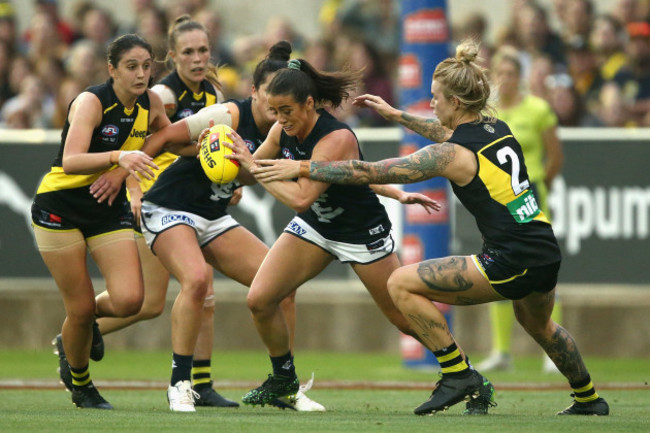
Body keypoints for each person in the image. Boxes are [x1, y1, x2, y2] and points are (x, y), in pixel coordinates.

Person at [250, 39, 609, 417]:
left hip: (509, 259)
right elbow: (443, 131)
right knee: (540, 325)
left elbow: (368, 171)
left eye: (436, 97)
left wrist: (301, 167)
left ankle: (458, 375)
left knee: (400, 283)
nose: (432, 103)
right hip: (543, 249)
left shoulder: (450, 155)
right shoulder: (493, 126)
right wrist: (397, 115)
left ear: (455, 102)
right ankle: (589, 399)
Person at [96, 40, 328, 413]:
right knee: (196, 281)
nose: (277, 104)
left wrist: (232, 183)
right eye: (271, 93)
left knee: (281, 288)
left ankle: (284, 383)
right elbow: (163, 137)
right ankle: (180, 384)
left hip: (214, 215)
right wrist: (132, 181)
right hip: (169, 208)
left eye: (286, 97)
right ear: (254, 91)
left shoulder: (287, 127)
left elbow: (253, 171)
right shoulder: (228, 114)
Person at [222, 56, 440, 408]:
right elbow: (252, 171)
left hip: (359, 231)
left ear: (309, 103)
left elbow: (302, 197)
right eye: (275, 111)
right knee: (260, 299)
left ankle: (462, 371)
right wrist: (227, 153)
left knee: (402, 317)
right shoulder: (282, 129)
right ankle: (284, 380)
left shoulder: (335, 136)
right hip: (317, 226)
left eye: (287, 110)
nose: (280, 120)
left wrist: (251, 167)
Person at [89, 15, 238, 408]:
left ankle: (201, 385)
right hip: (158, 205)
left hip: (189, 205)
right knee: (153, 300)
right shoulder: (163, 95)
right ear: (171, 57)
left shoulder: (212, 96)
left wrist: (227, 180)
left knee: (191, 292)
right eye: (187, 52)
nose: (197, 58)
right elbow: (145, 143)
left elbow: (197, 151)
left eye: (203, 50)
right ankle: (80, 325)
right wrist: (134, 188)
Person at [32, 34, 168, 409]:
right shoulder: (92, 101)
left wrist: (216, 149)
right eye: (131, 67)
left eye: (146, 66)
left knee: (129, 300)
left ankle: (76, 331)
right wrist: (119, 158)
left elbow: (169, 137)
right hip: (60, 206)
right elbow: (70, 160)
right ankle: (81, 384)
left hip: (106, 206)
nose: (141, 74)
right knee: (79, 308)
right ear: (112, 69)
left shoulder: (151, 103)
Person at [477, 46, 564, 374]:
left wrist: (540, 183)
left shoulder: (538, 109)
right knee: (497, 268)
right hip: (498, 203)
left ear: (520, 77)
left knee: (544, 271)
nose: (505, 79)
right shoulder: (490, 113)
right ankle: (501, 350)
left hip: (531, 197)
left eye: (511, 73)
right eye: (499, 73)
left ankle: (551, 348)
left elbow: (554, 156)